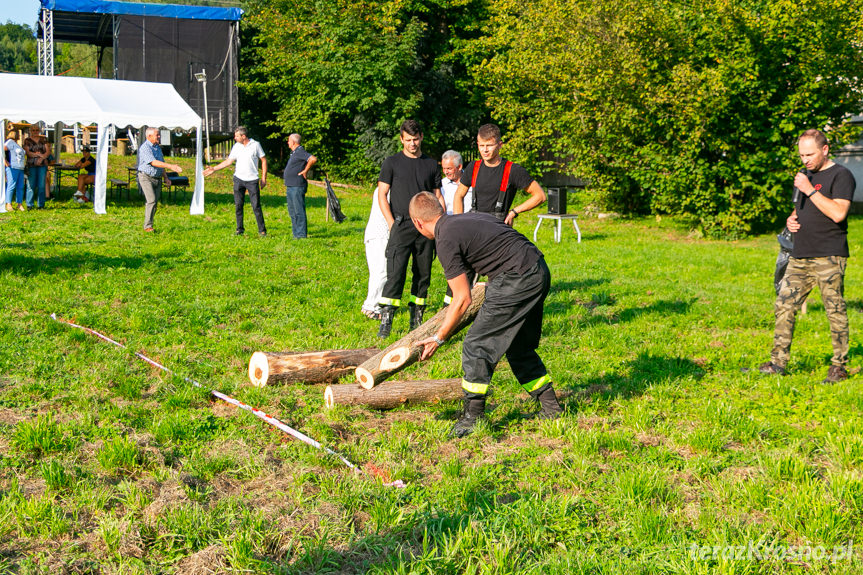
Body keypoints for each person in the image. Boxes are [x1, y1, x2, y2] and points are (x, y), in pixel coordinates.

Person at [409, 191, 564, 437]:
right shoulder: (467, 219)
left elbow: (462, 299)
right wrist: (493, 279)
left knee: (476, 345)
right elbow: (499, 245)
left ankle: (473, 417)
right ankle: (551, 407)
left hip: (517, 278)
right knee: (517, 346)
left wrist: (439, 338)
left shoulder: (444, 239)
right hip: (538, 269)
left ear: (418, 222)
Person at [758, 129, 857, 383]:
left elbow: (838, 213)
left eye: (810, 154)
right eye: (801, 155)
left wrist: (810, 190)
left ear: (825, 149)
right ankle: (778, 362)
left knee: (834, 309)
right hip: (800, 255)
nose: (805, 160)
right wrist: (792, 219)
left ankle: (839, 366)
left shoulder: (841, 175)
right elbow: (802, 210)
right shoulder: (806, 175)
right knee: (784, 305)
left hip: (828, 254)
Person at [376, 119, 445, 337]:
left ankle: (417, 320)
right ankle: (387, 319)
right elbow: (381, 194)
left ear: (421, 137)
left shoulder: (432, 164)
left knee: (423, 273)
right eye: (408, 140)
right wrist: (390, 222)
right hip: (401, 223)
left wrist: (439, 224)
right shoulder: (391, 163)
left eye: (415, 139)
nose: (412, 144)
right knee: (395, 272)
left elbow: (438, 196)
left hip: (426, 226)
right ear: (401, 139)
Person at [453, 123, 546, 224]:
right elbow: (458, 195)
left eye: (489, 145)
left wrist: (514, 212)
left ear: (500, 145)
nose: (485, 150)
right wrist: (458, 223)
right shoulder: (473, 167)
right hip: (475, 226)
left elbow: (540, 196)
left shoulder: (513, 170)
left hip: (499, 229)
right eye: (481, 145)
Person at [203, 126, 268, 237]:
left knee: (256, 205)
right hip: (238, 179)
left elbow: (264, 160)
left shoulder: (255, 145)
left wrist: (263, 178)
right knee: (238, 205)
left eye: (237, 136)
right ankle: (239, 229)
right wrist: (214, 169)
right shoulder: (236, 147)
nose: (234, 138)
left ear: (244, 136)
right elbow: (228, 161)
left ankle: (262, 230)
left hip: (252, 180)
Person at [137, 128, 183, 232]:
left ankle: (150, 224)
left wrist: (166, 177)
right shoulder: (145, 148)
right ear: (149, 136)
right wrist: (171, 166)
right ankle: (147, 226)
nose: (159, 137)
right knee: (151, 200)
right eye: (157, 135)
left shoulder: (157, 147)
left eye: (158, 135)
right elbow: (153, 162)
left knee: (155, 203)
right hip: (146, 177)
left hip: (157, 178)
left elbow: (161, 163)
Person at [283, 133, 317, 239]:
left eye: (289, 140)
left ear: (293, 142)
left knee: (298, 211)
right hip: (291, 185)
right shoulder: (294, 153)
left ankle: (301, 235)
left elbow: (313, 159)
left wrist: (305, 170)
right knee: (292, 211)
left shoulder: (300, 151)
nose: (288, 142)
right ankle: (296, 234)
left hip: (297, 185)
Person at [362, 186, 389, 320]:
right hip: (379, 235)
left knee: (377, 272)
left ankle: (374, 305)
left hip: (376, 234)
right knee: (382, 271)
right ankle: (371, 306)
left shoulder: (382, 188)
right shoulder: (384, 190)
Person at [23, 124, 51, 208]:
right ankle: (29, 204)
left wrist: (42, 158)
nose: (35, 132)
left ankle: (41, 204)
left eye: (36, 130)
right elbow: (27, 152)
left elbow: (48, 151)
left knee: (41, 185)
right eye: (33, 130)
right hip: (31, 165)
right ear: (30, 131)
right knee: (30, 185)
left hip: (42, 165)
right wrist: (38, 155)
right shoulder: (27, 140)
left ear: (39, 131)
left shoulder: (43, 139)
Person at [441, 150, 472, 215]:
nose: (445, 172)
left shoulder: (472, 182)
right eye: (444, 168)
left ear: (459, 167)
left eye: (449, 168)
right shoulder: (442, 185)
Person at [4, 129, 27, 212]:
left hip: (20, 167)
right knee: (11, 185)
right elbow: (2, 150)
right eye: (18, 134)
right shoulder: (9, 142)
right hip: (13, 167)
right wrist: (5, 161)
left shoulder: (16, 144)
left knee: (20, 186)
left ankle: (19, 203)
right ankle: (8, 203)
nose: (19, 135)